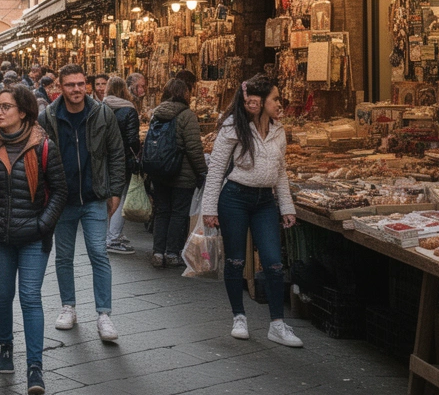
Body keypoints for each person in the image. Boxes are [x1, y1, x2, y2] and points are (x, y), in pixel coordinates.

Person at [0, 86, 68, 395]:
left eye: (6, 107)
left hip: (33, 237)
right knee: (2, 295)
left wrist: (43, 224)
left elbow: (60, 190)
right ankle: (5, 346)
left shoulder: (43, 145)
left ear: (23, 112)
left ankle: (35, 366)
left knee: (29, 297)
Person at [203, 75, 302, 347]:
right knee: (236, 261)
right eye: (275, 99)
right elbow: (216, 170)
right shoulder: (234, 127)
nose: (280, 103)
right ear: (259, 101)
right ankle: (239, 317)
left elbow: (281, 171)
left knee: (273, 262)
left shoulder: (278, 131)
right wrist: (209, 209)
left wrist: (287, 207)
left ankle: (277, 324)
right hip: (234, 199)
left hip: (265, 202)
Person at [38, 64, 126, 343]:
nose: (76, 89)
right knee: (64, 256)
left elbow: (117, 153)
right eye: (70, 85)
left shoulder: (102, 113)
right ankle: (68, 306)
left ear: (86, 84)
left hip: (94, 196)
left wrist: (114, 191)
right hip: (62, 199)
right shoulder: (48, 116)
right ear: (60, 87)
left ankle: (104, 314)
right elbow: (38, 157)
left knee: (98, 253)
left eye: (80, 84)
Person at [146, 78, 208, 268]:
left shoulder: (156, 113)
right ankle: (172, 253)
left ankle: (158, 252)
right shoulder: (187, 115)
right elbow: (194, 148)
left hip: (159, 171)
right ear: (185, 94)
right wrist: (202, 172)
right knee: (179, 213)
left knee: (162, 211)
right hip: (183, 174)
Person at [102, 76, 141, 255]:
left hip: (104, 159)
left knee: (108, 196)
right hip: (123, 159)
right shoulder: (128, 109)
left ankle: (108, 234)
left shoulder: (101, 107)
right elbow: (132, 139)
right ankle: (113, 237)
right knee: (121, 195)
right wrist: (136, 152)